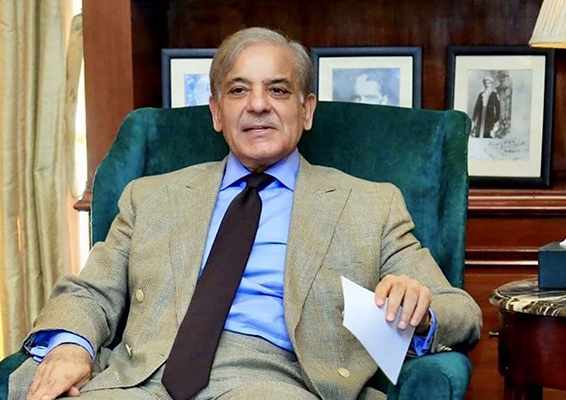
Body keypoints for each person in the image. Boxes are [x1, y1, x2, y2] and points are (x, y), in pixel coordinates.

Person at [12, 27, 481, 400]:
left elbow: (461, 312)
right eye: (239, 90)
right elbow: (91, 292)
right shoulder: (150, 197)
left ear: (306, 110)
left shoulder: (368, 206)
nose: (258, 105)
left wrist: (420, 310)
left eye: (278, 89)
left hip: (272, 378)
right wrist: (72, 346)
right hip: (140, 378)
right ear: (217, 112)